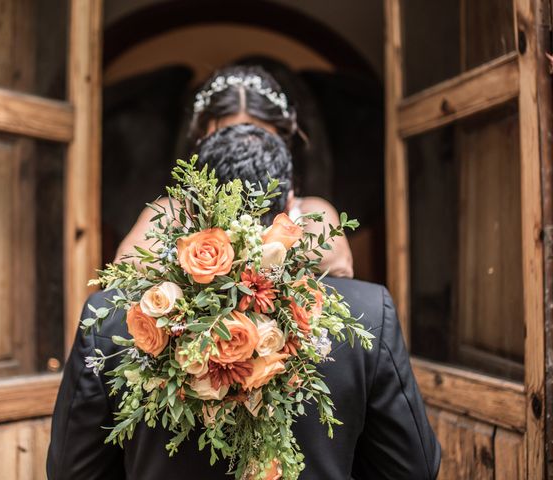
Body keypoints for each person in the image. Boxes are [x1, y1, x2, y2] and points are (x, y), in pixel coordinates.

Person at [47, 125, 441, 480]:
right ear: (290, 206)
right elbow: (413, 469)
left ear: (187, 208)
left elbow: (72, 471)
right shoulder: (369, 312)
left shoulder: (115, 318)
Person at [114, 65, 354, 278]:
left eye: (255, 135)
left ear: (281, 141)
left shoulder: (312, 211)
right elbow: (129, 265)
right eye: (224, 136)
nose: (241, 147)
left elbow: (337, 264)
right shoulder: (172, 211)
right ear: (200, 140)